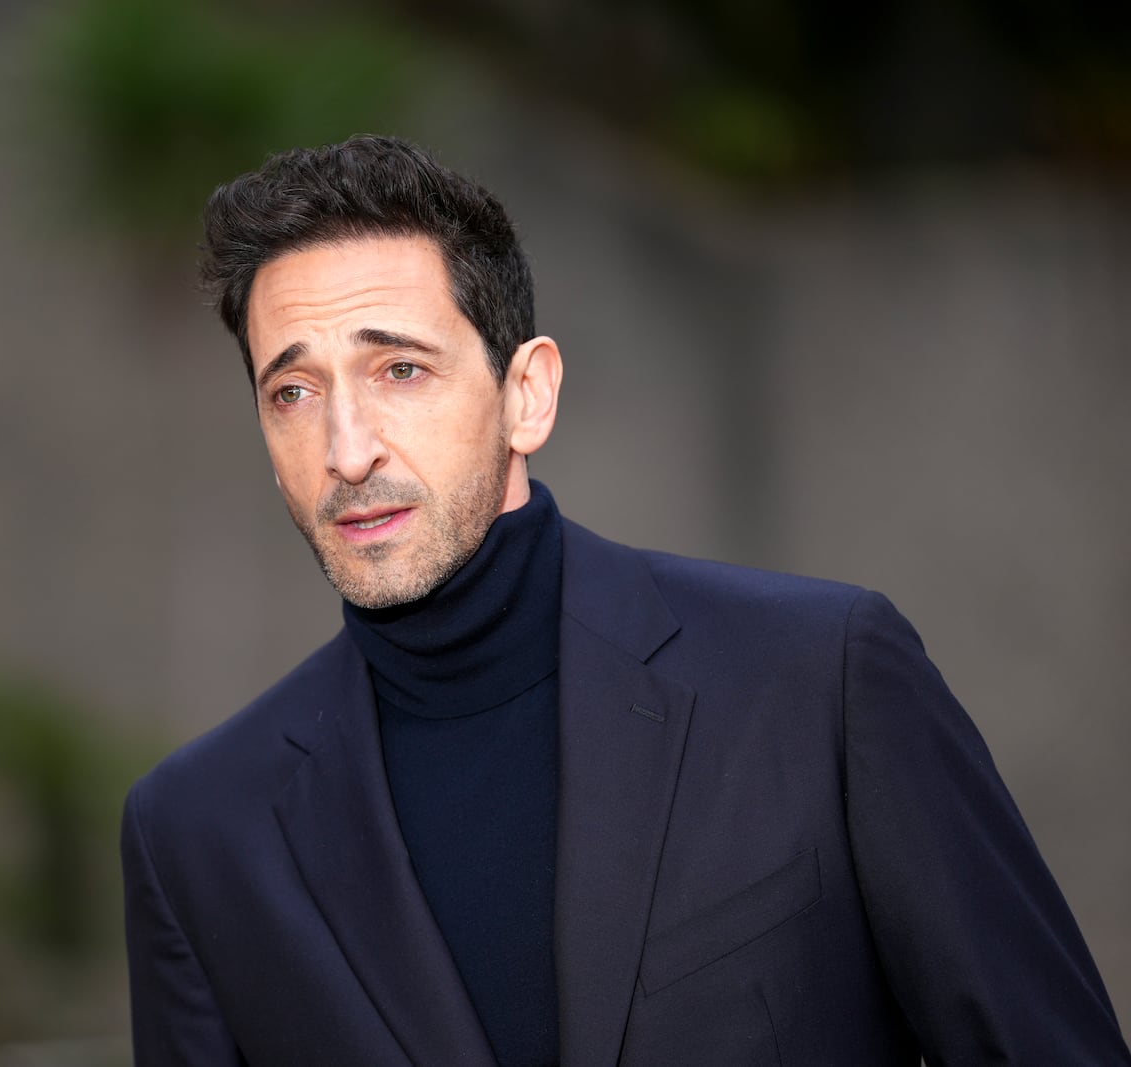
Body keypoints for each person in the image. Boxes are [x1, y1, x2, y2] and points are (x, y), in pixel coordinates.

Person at [119, 134, 1128, 1066]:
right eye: (291, 392)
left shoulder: (821, 682)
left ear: (528, 393)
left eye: (399, 369)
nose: (346, 448)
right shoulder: (198, 834)